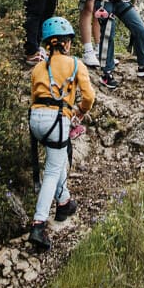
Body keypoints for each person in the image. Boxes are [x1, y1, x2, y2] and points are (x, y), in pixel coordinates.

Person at [27, 16, 96, 252]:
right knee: (53, 171)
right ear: (66, 44)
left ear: (48, 44)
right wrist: (78, 112)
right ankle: (38, 224)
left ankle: (64, 202)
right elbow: (89, 97)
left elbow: (34, 95)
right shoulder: (76, 64)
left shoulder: (38, 67)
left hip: (36, 120)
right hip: (57, 119)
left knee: (53, 162)